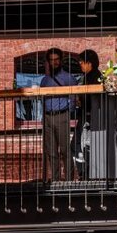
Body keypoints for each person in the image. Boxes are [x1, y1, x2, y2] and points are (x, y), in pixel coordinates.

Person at [40, 47, 77, 181]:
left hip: (62, 116)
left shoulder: (68, 78)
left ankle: (68, 180)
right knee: (51, 152)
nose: (53, 62)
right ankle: (55, 180)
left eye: (56, 60)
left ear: (60, 61)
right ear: (48, 62)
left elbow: (73, 97)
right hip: (48, 117)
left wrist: (68, 111)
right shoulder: (44, 80)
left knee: (65, 150)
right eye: (51, 60)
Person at [74, 49, 100, 179]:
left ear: (89, 63)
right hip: (84, 115)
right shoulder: (87, 77)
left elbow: (93, 98)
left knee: (85, 146)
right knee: (78, 145)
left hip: (89, 117)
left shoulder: (95, 77)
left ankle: (87, 175)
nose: (80, 64)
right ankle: (84, 173)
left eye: (82, 62)